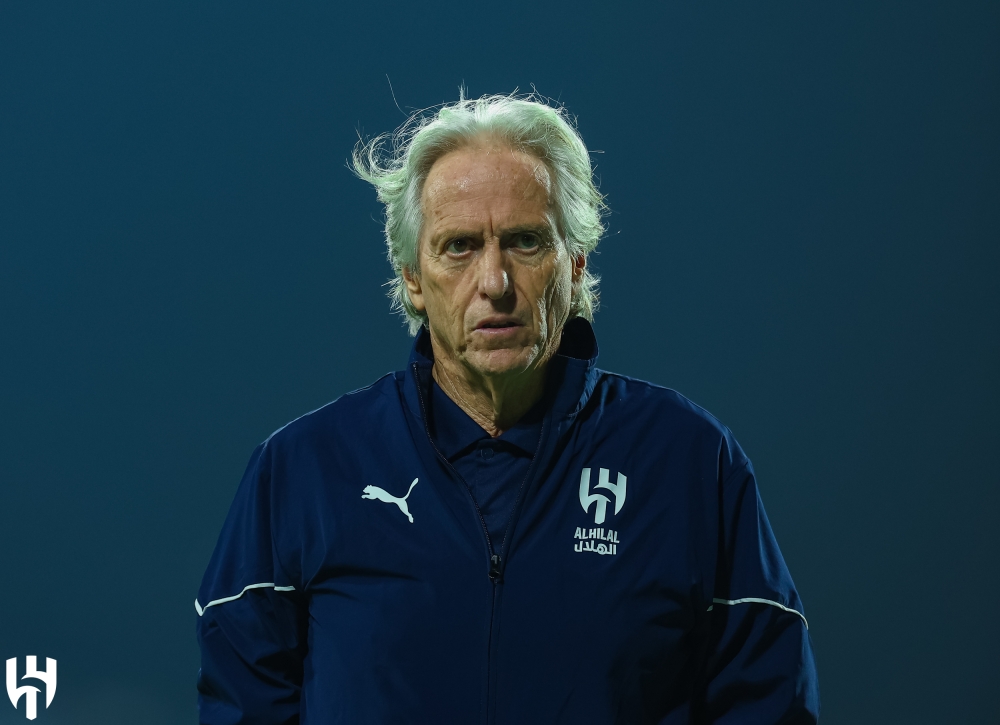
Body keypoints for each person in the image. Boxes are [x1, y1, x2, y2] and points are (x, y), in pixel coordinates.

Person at [195, 93, 820, 723]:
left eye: (525, 242)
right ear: (412, 275)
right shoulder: (301, 471)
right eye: (459, 246)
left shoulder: (690, 462)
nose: (494, 283)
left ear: (575, 263)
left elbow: (767, 704)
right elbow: (243, 703)